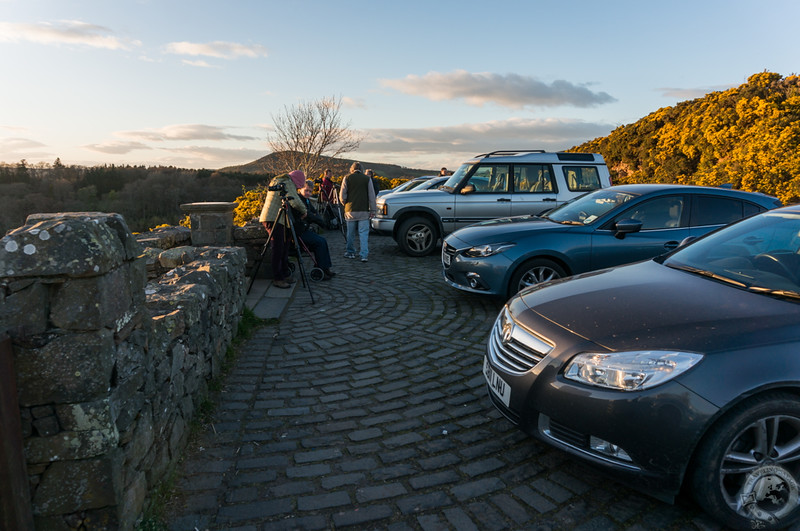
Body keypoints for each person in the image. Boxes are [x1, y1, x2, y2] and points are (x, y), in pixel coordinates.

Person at [258, 170, 307, 288]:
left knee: (284, 246)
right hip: (274, 218)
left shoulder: (280, 179)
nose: (297, 187)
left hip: (276, 218)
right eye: (298, 185)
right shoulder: (287, 181)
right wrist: (304, 211)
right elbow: (294, 199)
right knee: (278, 247)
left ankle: (284, 273)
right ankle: (278, 278)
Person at [293, 180, 335, 280]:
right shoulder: (299, 200)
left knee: (323, 241)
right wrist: (321, 222)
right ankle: (320, 269)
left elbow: (314, 212)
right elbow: (310, 215)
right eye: (306, 190)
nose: (308, 193)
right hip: (299, 232)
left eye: (310, 191)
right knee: (319, 242)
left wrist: (319, 220)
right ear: (300, 189)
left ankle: (325, 268)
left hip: (305, 229)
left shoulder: (306, 200)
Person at [340, 161, 376, 262]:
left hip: (350, 210)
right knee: (363, 234)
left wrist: (345, 203)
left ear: (352, 169)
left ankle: (350, 252)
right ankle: (364, 255)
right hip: (364, 210)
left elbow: (342, 195)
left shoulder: (347, 178)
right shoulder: (367, 179)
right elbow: (372, 196)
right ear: (362, 169)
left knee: (350, 233)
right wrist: (373, 210)